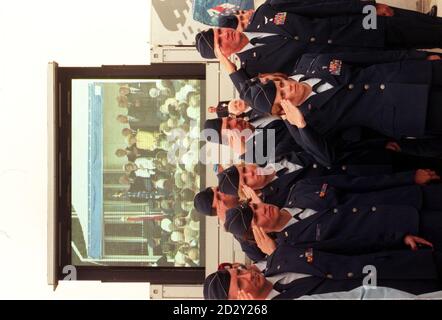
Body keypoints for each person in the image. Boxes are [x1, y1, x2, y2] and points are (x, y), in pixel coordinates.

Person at [195, 1, 442, 79]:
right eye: (220, 40)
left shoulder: (266, 11)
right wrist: (233, 72)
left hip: (361, 27)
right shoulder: (256, 70)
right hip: (363, 62)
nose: (225, 34)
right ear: (223, 54)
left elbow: (319, 5)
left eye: (219, 31)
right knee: (429, 62)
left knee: (432, 31)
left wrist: (366, 6)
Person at [224, 169, 442, 257]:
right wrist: (399, 240)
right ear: (259, 234)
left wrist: (408, 177)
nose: (263, 209)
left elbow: (358, 182)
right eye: (257, 216)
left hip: (405, 196)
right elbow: (354, 249)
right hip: (401, 229)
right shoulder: (294, 246)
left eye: (255, 206)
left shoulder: (298, 190)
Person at [203, 251, 442, 300]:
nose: (247, 276)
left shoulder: (277, 263)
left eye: (240, 272)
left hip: (396, 269)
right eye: (240, 283)